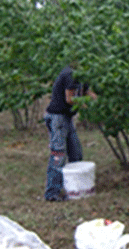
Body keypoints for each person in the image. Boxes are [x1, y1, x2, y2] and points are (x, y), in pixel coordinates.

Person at [43, 63, 97, 201]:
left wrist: (99, 102)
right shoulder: (70, 75)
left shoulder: (81, 75)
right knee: (59, 154)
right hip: (57, 118)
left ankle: (75, 187)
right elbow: (70, 98)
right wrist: (85, 105)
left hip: (66, 118)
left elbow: (86, 92)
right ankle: (52, 193)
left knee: (76, 152)